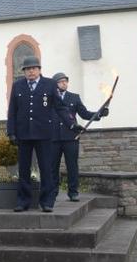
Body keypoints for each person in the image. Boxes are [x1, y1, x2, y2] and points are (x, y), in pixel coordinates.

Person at [6, 56, 73, 212]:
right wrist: (11, 132)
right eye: (27, 69)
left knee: (46, 169)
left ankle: (47, 201)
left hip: (44, 134)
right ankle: (23, 201)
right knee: (23, 169)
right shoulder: (17, 86)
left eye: (33, 68)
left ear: (39, 69)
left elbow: (61, 108)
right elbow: (12, 111)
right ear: (24, 71)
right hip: (23, 134)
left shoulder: (49, 84)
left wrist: (72, 124)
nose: (30, 71)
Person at [50, 72, 107, 202]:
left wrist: (99, 114)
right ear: (55, 84)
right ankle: (52, 192)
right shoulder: (50, 98)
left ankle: (73, 192)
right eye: (60, 81)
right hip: (53, 138)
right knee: (52, 167)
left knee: (72, 166)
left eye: (65, 81)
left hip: (71, 137)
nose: (64, 83)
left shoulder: (74, 97)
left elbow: (85, 114)